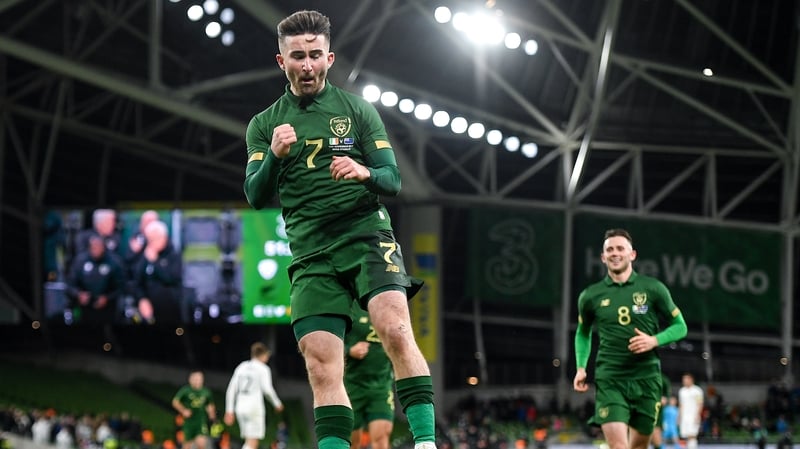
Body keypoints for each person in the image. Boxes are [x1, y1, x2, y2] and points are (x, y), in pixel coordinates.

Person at [242, 10, 436, 449]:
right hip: (310, 251)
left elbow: (394, 180)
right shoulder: (264, 124)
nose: (307, 65)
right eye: (297, 56)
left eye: (314, 55)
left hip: (365, 234)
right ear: (281, 61)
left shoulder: (357, 111)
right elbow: (255, 195)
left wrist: (364, 171)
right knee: (321, 363)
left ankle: (426, 442)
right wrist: (274, 154)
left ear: (329, 58)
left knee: (395, 329)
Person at [573, 228, 688, 449]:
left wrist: (654, 340)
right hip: (610, 378)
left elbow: (680, 327)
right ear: (603, 257)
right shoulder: (590, 296)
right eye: (610, 249)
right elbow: (583, 332)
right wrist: (580, 367)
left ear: (632, 254)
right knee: (618, 447)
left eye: (620, 248)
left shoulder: (653, 288)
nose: (615, 253)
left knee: (638, 447)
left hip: (646, 379)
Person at [344, 305, 395, 449]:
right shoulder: (348, 305)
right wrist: (349, 350)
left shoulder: (389, 304)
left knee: (381, 440)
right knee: (351, 444)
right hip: (352, 386)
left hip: (381, 385)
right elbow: (328, 342)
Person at [224, 342, 284, 449]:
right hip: (254, 408)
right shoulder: (263, 368)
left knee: (249, 441)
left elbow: (231, 389)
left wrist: (229, 410)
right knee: (252, 443)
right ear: (264, 355)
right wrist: (277, 403)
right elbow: (267, 389)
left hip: (240, 407)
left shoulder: (241, 366)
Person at [65, 234, 126, 323]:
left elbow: (121, 286)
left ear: (104, 247)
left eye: (99, 246)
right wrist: (79, 294)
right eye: (94, 247)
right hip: (84, 310)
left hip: (108, 311)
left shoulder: (114, 262)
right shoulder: (80, 261)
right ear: (89, 247)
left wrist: (107, 298)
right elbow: (69, 284)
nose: (96, 250)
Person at [132, 220, 183, 324]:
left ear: (164, 237)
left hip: (170, 310)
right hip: (148, 312)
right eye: (149, 240)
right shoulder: (145, 256)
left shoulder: (174, 256)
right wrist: (142, 299)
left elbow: (171, 278)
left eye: (154, 239)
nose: (152, 243)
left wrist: (155, 262)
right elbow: (138, 282)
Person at [173, 370, 216, 449]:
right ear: (190, 379)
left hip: (200, 421)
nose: (197, 381)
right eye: (195, 378)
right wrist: (183, 411)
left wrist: (212, 416)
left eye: (199, 379)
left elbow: (210, 405)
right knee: (187, 445)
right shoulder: (185, 390)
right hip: (188, 422)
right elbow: (175, 402)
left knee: (201, 444)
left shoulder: (206, 392)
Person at [678, 373, 704, 449]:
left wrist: (697, 415)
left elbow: (700, 404)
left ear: (691, 380)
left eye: (685, 379)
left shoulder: (697, 390)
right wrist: (679, 417)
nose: (684, 381)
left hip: (693, 416)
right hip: (684, 417)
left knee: (692, 435)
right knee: (684, 436)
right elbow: (681, 405)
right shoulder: (682, 391)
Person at [650, 373, 672, 449]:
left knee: (656, 435)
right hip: (639, 410)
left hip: (656, 411)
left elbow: (667, 395)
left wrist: (665, 398)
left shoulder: (662, 379)